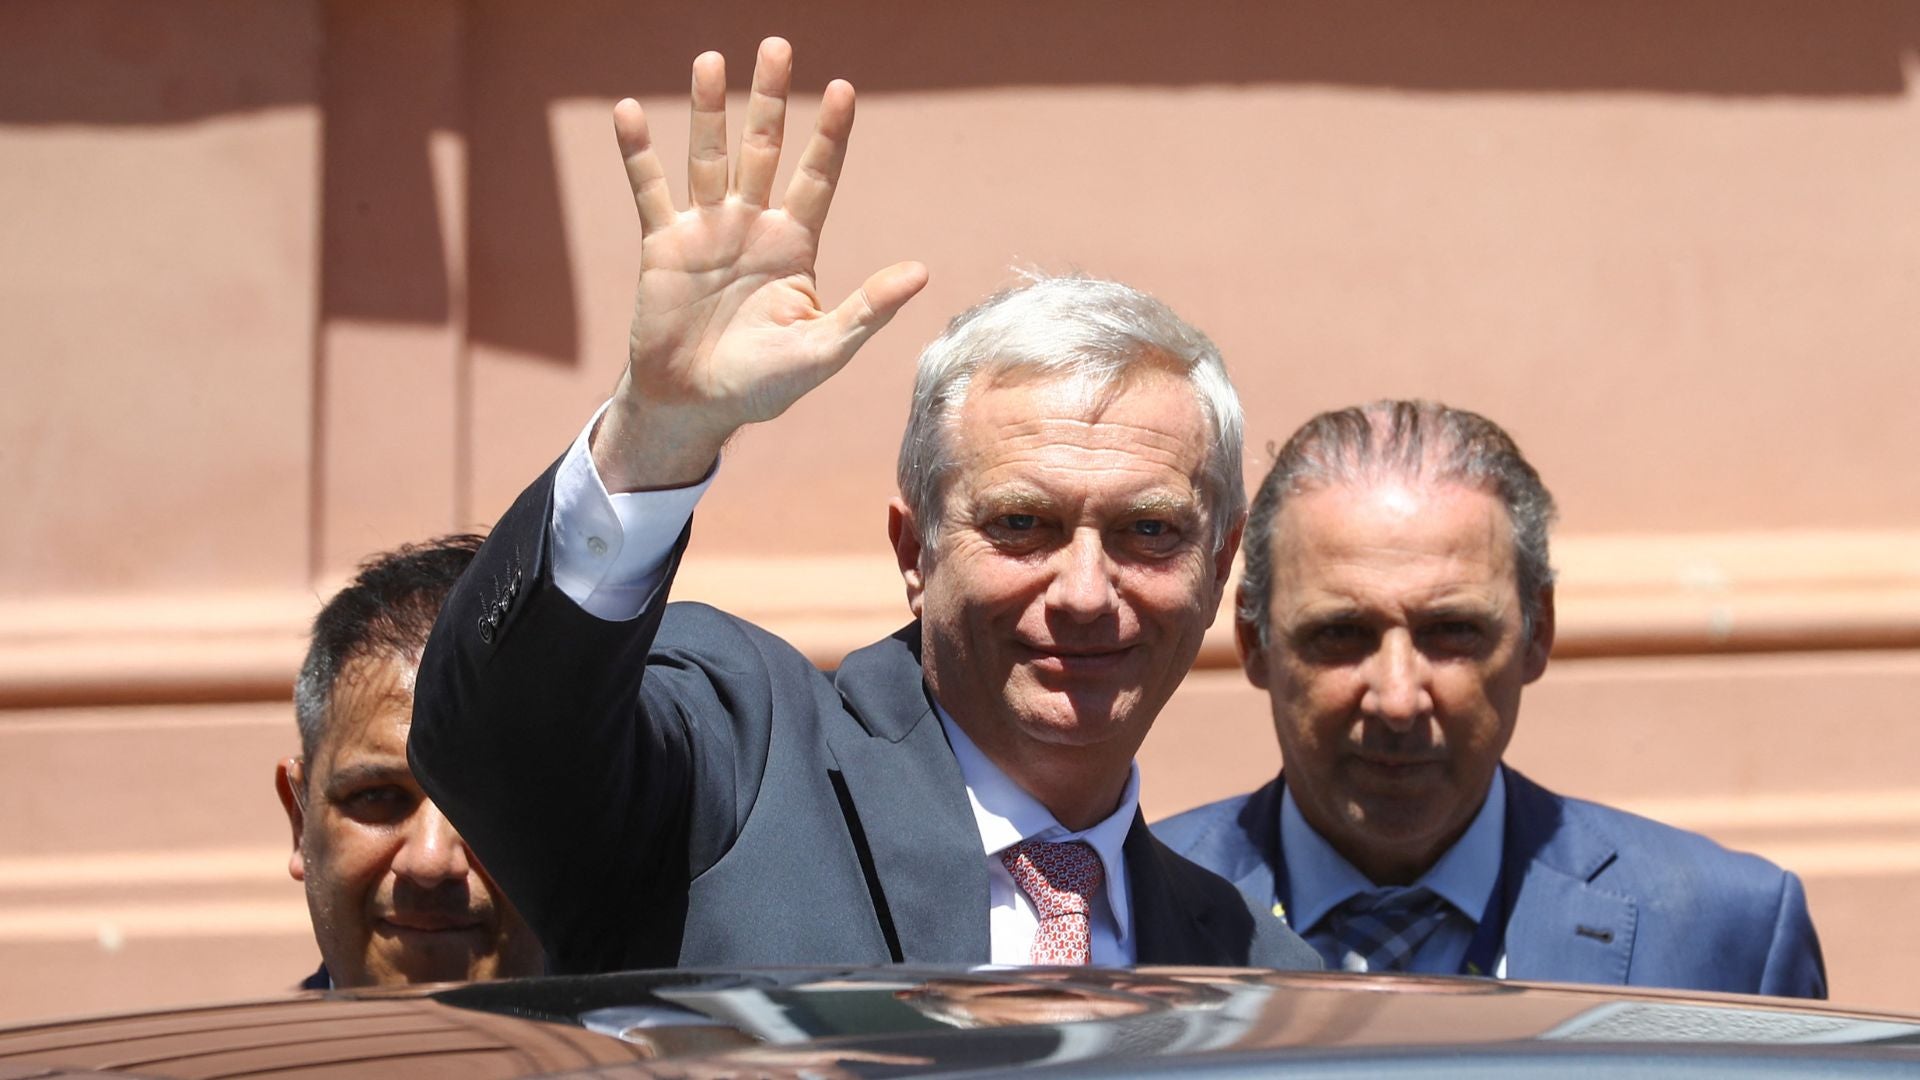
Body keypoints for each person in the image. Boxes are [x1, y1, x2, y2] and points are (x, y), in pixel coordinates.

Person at [407, 38, 1318, 974]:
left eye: (1149, 532)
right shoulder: (741, 758)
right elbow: (498, 747)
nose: (1084, 592)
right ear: (913, 551)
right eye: (1020, 525)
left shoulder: (1267, 974)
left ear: (1218, 569)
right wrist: (655, 434)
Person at [1154, 400, 1827, 996]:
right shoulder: (1123, 914)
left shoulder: (1729, 931)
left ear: (1538, 633)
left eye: (1452, 632)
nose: (1397, 699)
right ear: (1254, 642)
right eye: (1340, 633)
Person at [275, 535, 544, 989]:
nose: (431, 862)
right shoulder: (214, 1063)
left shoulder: (687, 1058)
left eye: (488, 799)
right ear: (300, 821)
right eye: (377, 796)